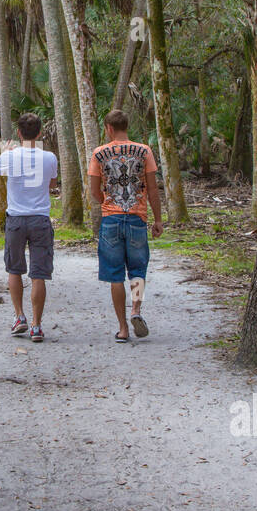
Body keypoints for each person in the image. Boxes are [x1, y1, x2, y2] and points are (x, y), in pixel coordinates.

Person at [88, 109, 163, 342]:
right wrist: (157, 219)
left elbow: (93, 190)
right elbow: (152, 189)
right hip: (137, 217)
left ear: (109, 128)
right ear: (125, 126)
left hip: (111, 218)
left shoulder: (99, 154)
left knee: (115, 275)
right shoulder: (144, 151)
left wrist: (107, 203)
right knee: (138, 271)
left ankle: (122, 328)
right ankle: (136, 310)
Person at [0, 112, 59, 342]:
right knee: (39, 274)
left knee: (14, 269)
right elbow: (52, 184)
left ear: (18, 133)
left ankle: (20, 317)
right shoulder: (49, 158)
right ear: (39, 133)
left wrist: (3, 154)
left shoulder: (10, 156)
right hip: (40, 219)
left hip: (16, 219)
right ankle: (37, 326)